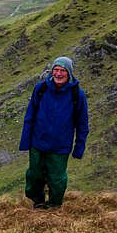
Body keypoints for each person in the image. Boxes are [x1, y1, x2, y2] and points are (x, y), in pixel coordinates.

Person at [19, 56, 89, 209]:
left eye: (62, 71)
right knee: (34, 175)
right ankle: (37, 201)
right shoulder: (41, 89)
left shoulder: (77, 95)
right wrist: (25, 141)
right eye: (56, 70)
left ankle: (54, 205)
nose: (58, 74)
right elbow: (30, 116)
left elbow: (82, 124)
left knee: (57, 179)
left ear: (69, 73)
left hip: (60, 147)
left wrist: (79, 147)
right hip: (38, 143)